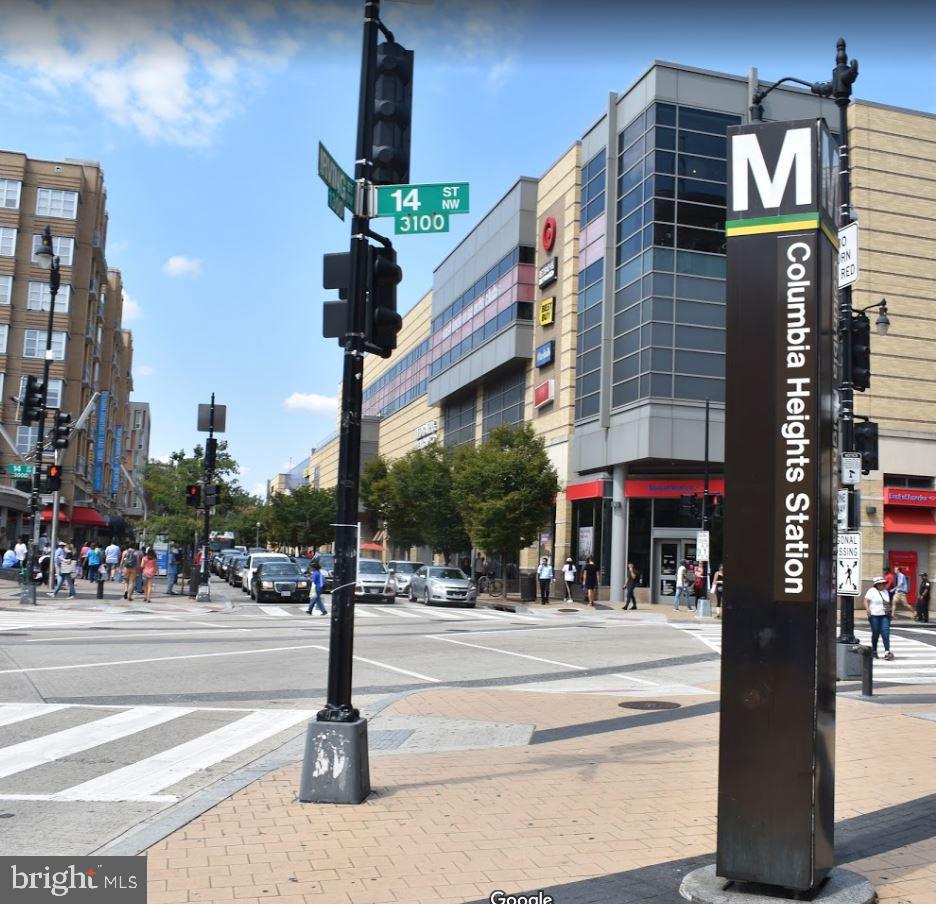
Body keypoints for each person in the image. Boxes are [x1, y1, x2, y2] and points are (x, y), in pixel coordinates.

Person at [865, 575, 895, 660]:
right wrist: (867, 609)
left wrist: (892, 612)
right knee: (876, 633)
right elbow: (866, 600)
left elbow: (889, 603)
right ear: (877, 584)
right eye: (881, 583)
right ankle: (874, 651)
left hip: (885, 615)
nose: (883, 585)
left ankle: (887, 652)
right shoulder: (871, 591)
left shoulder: (886, 591)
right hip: (874, 615)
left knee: (885, 633)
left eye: (884, 583)